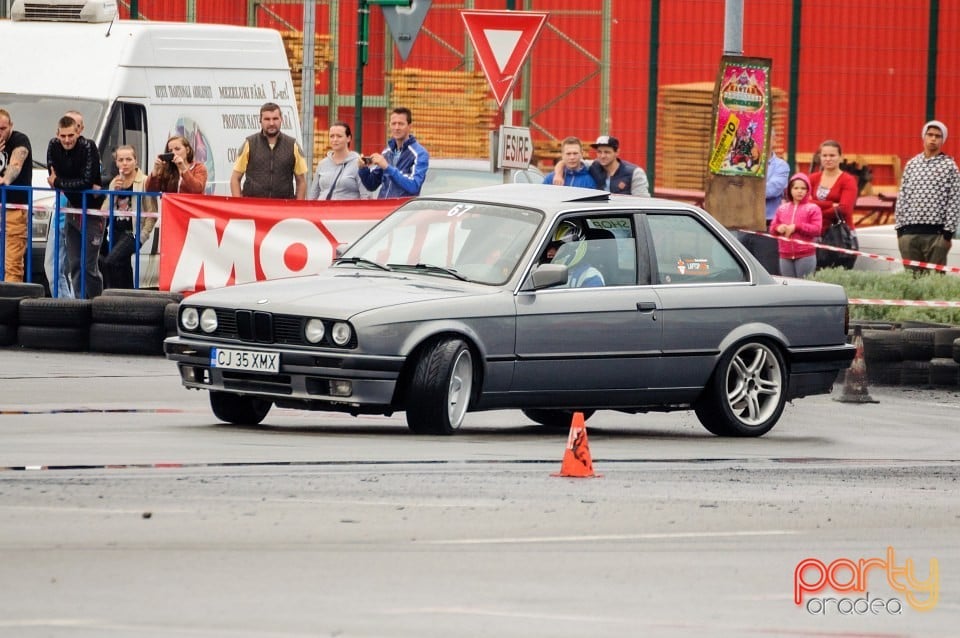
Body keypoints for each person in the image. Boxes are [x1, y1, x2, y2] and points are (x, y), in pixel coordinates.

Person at [47, 114, 105, 298]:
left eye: (70, 135)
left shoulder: (88, 146)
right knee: (74, 265)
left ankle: (96, 303)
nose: (66, 140)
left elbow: (87, 182)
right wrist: (66, 182)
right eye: (63, 136)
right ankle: (79, 304)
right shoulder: (53, 145)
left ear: (78, 133)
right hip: (71, 209)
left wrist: (60, 182)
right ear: (57, 134)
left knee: (89, 266)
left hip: (92, 212)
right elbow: (51, 177)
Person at [894, 120, 960, 274]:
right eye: (930, 135)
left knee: (934, 280)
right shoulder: (912, 164)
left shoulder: (949, 166)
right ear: (923, 137)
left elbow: (954, 201)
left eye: (938, 136)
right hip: (909, 234)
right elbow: (902, 198)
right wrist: (900, 232)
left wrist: (947, 235)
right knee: (912, 279)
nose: (933, 139)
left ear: (942, 140)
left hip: (936, 235)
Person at [99, 145, 158, 289]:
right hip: (115, 231)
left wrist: (143, 235)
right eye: (121, 160)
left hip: (133, 232)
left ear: (136, 161)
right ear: (116, 163)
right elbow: (104, 211)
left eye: (128, 159)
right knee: (122, 266)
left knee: (110, 261)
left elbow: (152, 212)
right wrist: (114, 193)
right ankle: (126, 297)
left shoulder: (144, 181)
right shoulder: (115, 181)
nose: (124, 163)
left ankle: (113, 295)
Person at [736, 135, 790, 275]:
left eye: (767, 137)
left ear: (774, 140)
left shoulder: (781, 166)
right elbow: (734, 189)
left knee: (768, 272)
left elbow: (772, 190)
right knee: (743, 272)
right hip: (743, 225)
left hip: (767, 227)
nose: (763, 141)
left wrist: (747, 189)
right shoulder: (742, 162)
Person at [230, 102, 307, 199]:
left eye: (275, 119)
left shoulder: (293, 145)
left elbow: (301, 181)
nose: (271, 123)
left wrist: (297, 207)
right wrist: (239, 205)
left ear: (281, 120)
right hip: (253, 208)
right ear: (260, 121)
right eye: (267, 119)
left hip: (283, 208)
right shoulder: (249, 144)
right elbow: (235, 178)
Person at [358, 107, 429, 198]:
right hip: (383, 208)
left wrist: (387, 167)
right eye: (393, 124)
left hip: (404, 210)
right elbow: (371, 185)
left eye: (401, 124)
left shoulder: (419, 153)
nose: (396, 128)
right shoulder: (387, 152)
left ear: (409, 126)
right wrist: (363, 169)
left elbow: (414, 186)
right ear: (389, 125)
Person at [809, 139, 858, 269]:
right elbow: (805, 203)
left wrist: (815, 210)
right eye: (824, 155)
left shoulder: (848, 180)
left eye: (832, 155)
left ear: (841, 158)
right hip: (815, 234)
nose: (828, 159)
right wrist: (831, 204)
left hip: (840, 237)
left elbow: (844, 210)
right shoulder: (812, 179)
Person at [0, 109, 33, 282]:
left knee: (13, 262)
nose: (0, 133)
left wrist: (5, 179)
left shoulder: (20, 140)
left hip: (14, 207)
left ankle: (10, 303)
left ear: (11, 126)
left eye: (2, 128)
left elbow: (16, 163)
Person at [770, 173, 822, 279]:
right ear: (790, 190)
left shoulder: (813, 208)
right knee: (789, 286)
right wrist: (778, 228)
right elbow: (772, 228)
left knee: (805, 286)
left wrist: (797, 227)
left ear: (808, 190)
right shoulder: (782, 208)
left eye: (803, 188)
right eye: (796, 188)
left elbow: (817, 229)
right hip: (785, 255)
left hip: (806, 255)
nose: (799, 191)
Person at [308, 121, 367, 200]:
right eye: (332, 136)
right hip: (323, 211)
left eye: (339, 136)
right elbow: (313, 195)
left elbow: (366, 196)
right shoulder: (322, 164)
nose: (335, 139)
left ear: (349, 138)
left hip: (347, 211)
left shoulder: (358, 163)